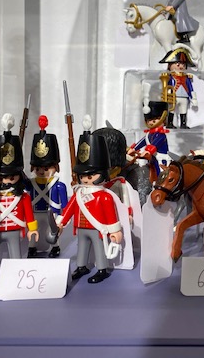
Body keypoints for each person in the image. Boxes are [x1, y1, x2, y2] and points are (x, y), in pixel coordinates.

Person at [57, 117, 123, 284]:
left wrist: (115, 231)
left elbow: (111, 215)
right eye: (83, 175)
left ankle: (102, 268)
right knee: (81, 247)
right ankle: (81, 266)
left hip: (98, 228)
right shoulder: (78, 193)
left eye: (91, 175)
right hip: (81, 227)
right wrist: (61, 222)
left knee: (100, 248)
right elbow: (70, 208)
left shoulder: (105, 196)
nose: (85, 179)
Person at [0, 113, 38, 288]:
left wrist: (32, 229)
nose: (7, 181)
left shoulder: (22, 196)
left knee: (15, 253)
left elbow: (29, 214)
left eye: (12, 177)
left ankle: (17, 274)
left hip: (13, 229)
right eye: (2, 177)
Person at [26, 115, 68, 258]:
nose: (42, 171)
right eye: (38, 168)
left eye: (46, 168)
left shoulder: (59, 186)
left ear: (55, 167)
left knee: (53, 231)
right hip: (35, 212)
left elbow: (65, 205)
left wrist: (61, 220)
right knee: (33, 231)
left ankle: (55, 247)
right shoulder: (31, 183)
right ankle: (31, 248)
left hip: (52, 213)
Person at [159, 47, 199, 129]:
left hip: (184, 96)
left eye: (183, 64)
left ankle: (183, 124)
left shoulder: (187, 77)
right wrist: (168, 94)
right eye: (178, 64)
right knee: (171, 110)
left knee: (183, 110)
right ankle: (170, 123)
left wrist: (193, 98)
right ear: (169, 65)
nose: (181, 66)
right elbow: (168, 85)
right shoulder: (170, 77)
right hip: (173, 96)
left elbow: (190, 87)